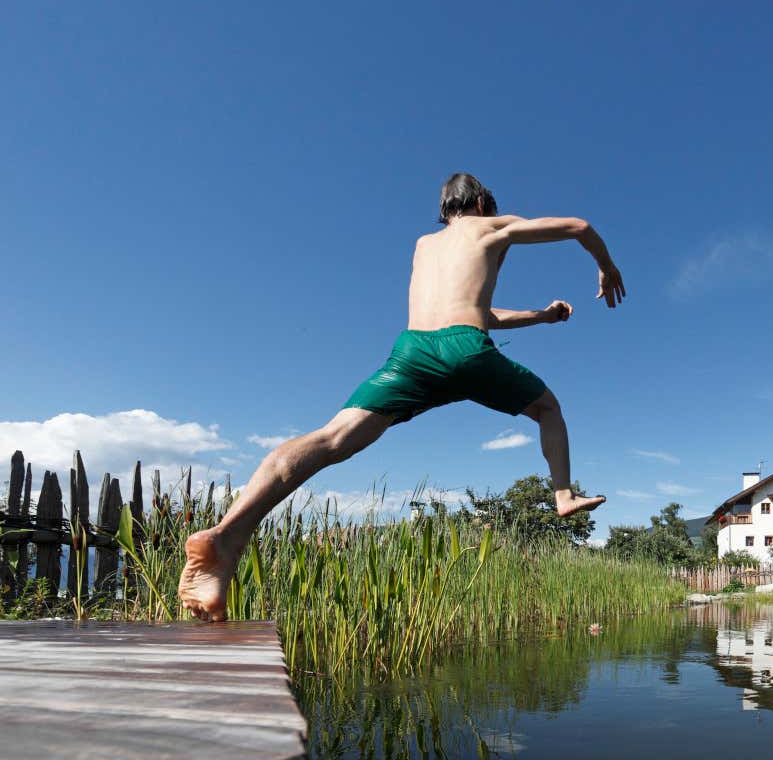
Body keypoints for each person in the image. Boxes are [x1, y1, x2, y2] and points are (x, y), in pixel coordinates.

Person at [178, 173, 626, 621]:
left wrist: (541, 317)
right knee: (549, 409)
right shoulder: (490, 226)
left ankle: (226, 535)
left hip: (413, 351)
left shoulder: (424, 247)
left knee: (332, 439)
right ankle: (563, 494)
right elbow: (579, 226)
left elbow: (483, 312)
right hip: (465, 348)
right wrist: (606, 267)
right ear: (484, 203)